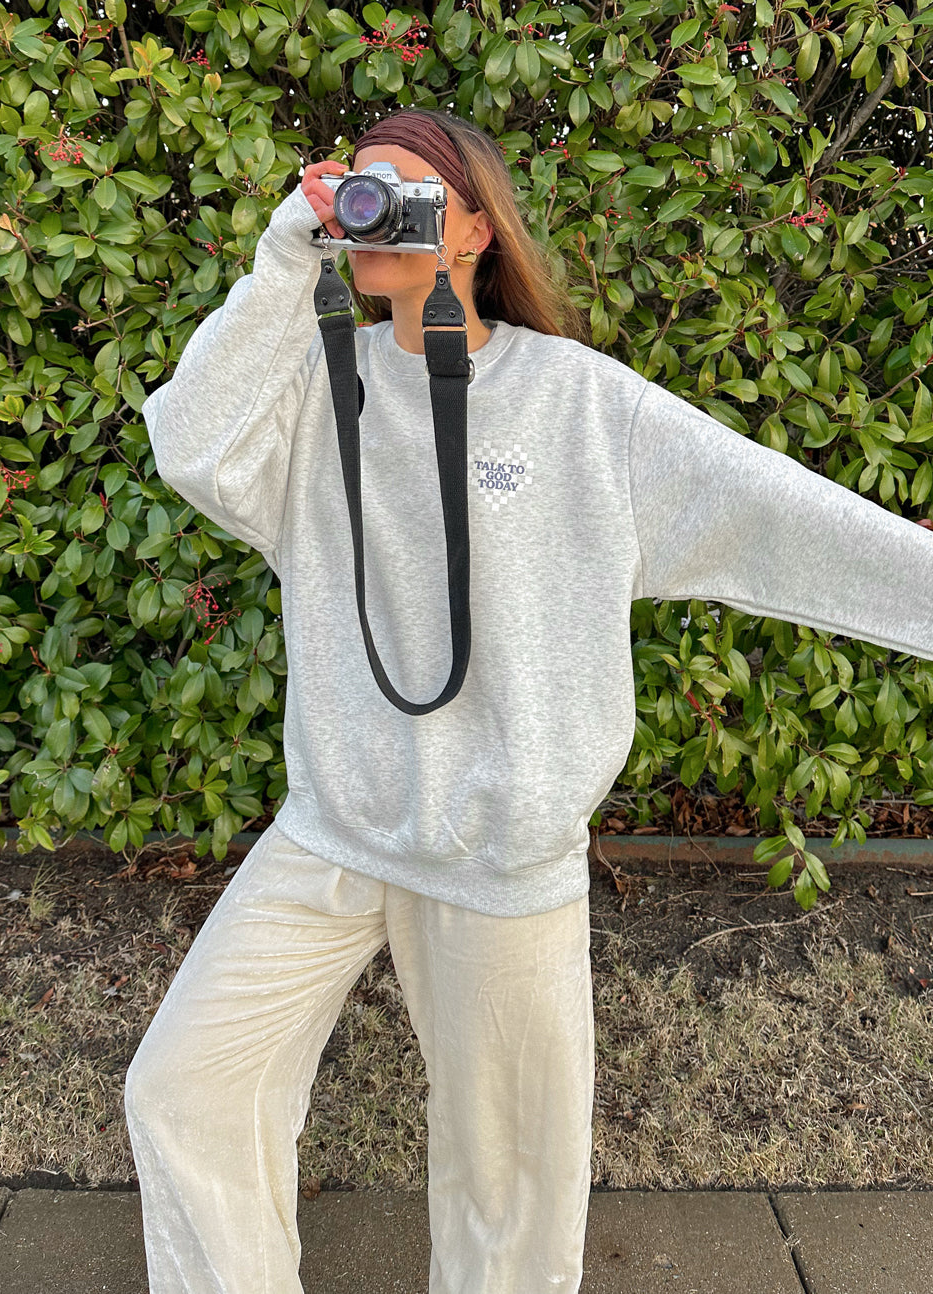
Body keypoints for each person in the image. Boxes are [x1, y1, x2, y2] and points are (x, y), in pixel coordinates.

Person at [124, 108, 933, 1294]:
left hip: (500, 851)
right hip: (336, 825)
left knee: (509, 1192)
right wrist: (288, 250)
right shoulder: (312, 387)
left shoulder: (579, 405)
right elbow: (191, 445)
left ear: (473, 231)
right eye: (359, 196)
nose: (375, 220)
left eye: (405, 198)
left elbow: (777, 511)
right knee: (186, 1088)